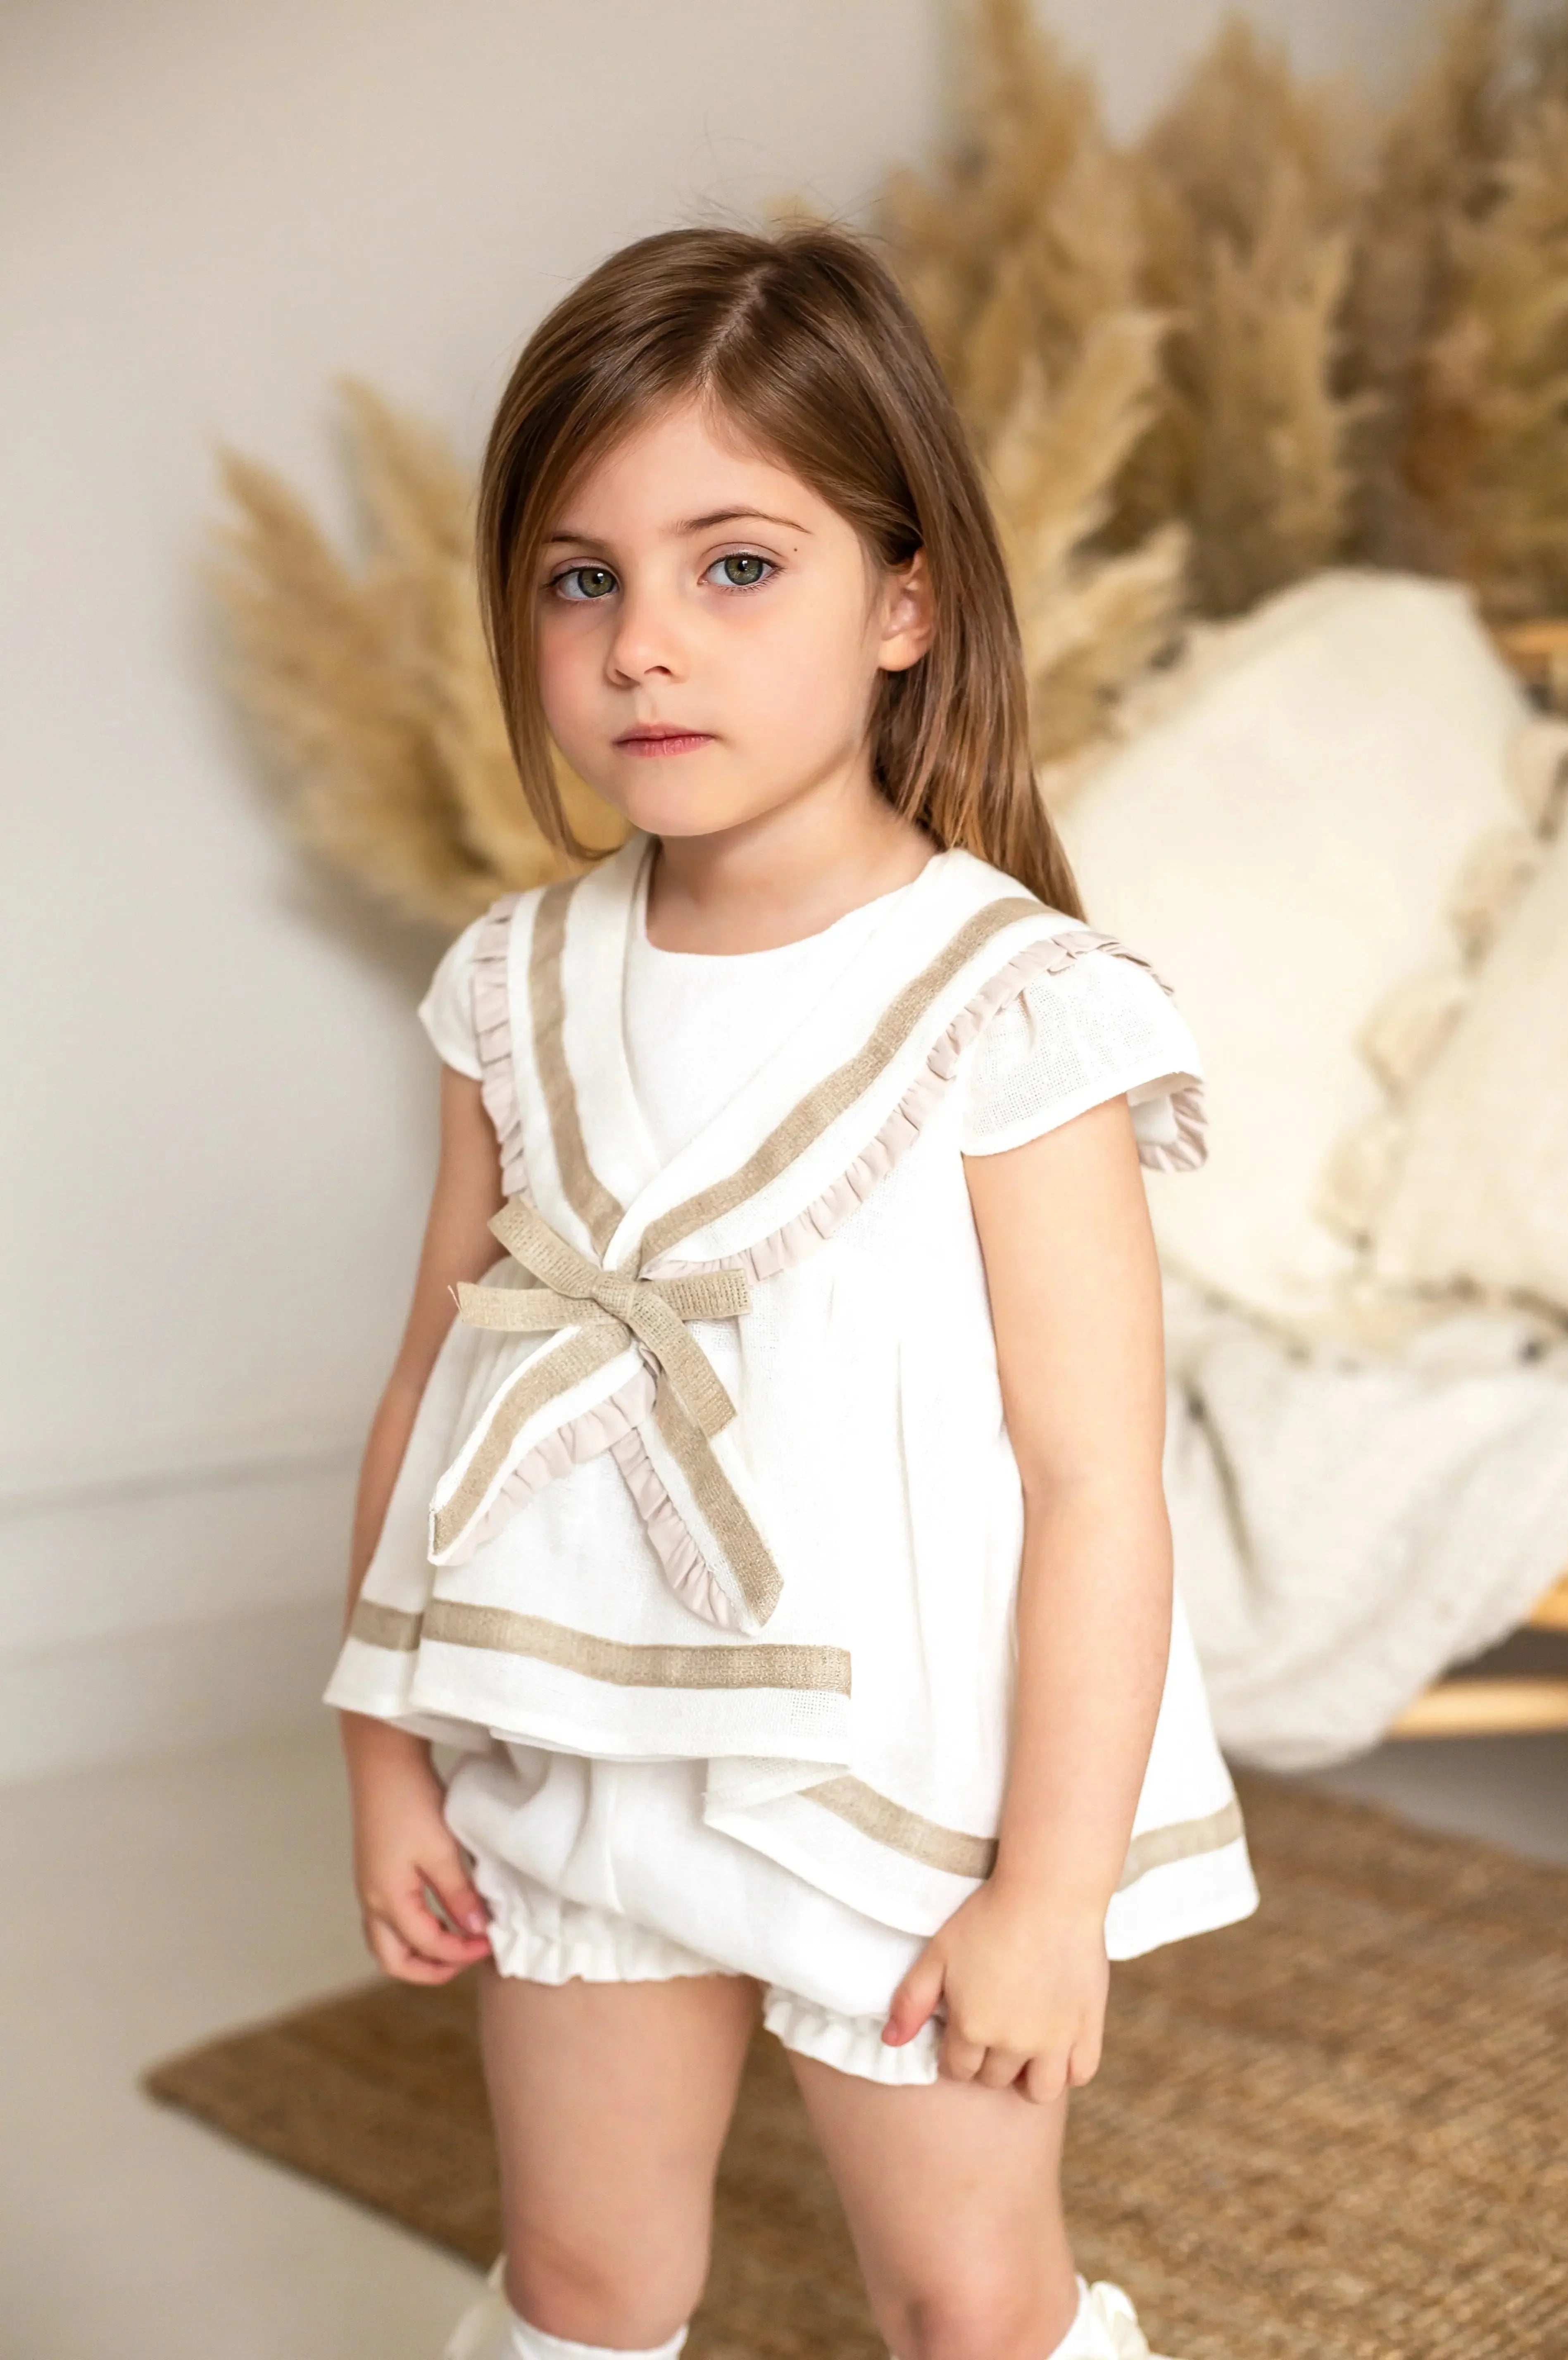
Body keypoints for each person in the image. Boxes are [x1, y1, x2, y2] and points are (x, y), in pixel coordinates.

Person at [326, 223, 1258, 2360]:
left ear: (905, 602)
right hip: (580, 1748)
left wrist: (1048, 1893)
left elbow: (1095, 1484)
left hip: (902, 1799)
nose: (648, 644)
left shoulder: (1010, 1006)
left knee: (964, 2299)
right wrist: (389, 1754)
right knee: (581, 2278)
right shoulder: (517, 988)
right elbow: (430, 1397)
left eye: (735, 567)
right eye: (585, 580)